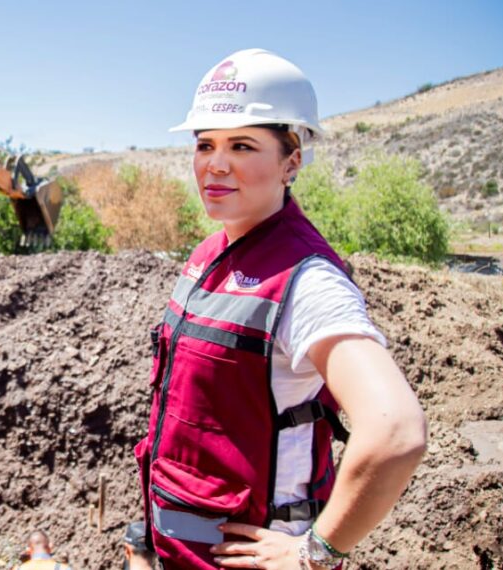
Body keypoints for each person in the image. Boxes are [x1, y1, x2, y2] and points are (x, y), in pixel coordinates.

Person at [133, 49, 427, 569]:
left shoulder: (306, 280)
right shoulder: (208, 255)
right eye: (205, 144)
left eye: (242, 146)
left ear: (292, 162)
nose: (215, 164)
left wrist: (314, 552)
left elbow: (396, 431)